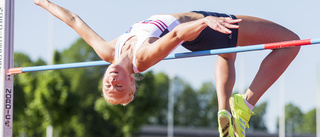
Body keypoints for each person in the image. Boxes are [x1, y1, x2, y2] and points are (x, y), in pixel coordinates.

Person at [34, 0, 300, 137]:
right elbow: (176, 37)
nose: (113, 81)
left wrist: (44, 3)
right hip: (201, 29)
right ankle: (246, 106)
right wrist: (206, 21)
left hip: (198, 25)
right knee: (290, 42)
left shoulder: (107, 51)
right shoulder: (144, 57)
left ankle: (225, 111)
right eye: (119, 87)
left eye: (108, 85)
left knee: (228, 57)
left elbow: (74, 21)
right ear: (132, 82)